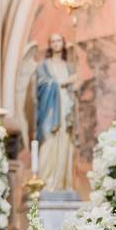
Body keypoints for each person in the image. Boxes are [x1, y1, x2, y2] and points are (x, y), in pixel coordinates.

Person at [36, 32, 76, 191]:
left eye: (59, 40)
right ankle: (46, 182)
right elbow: (41, 85)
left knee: (65, 144)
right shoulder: (44, 66)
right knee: (49, 144)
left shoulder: (69, 66)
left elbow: (75, 89)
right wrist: (63, 82)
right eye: (53, 41)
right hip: (51, 111)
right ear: (50, 45)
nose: (56, 44)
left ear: (63, 43)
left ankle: (62, 183)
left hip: (66, 110)